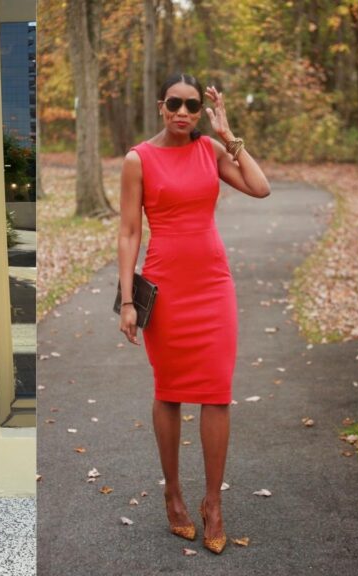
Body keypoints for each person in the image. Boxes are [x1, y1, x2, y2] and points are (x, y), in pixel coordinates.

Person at [117, 72, 270, 554]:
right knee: (169, 392)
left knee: (216, 393)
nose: (182, 112)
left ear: (201, 111)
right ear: (160, 106)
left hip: (212, 284)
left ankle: (213, 503)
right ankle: (173, 493)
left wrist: (228, 134)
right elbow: (128, 232)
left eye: (191, 105)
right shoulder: (138, 159)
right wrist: (127, 300)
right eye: (174, 104)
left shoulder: (210, 150)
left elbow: (260, 187)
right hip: (166, 287)